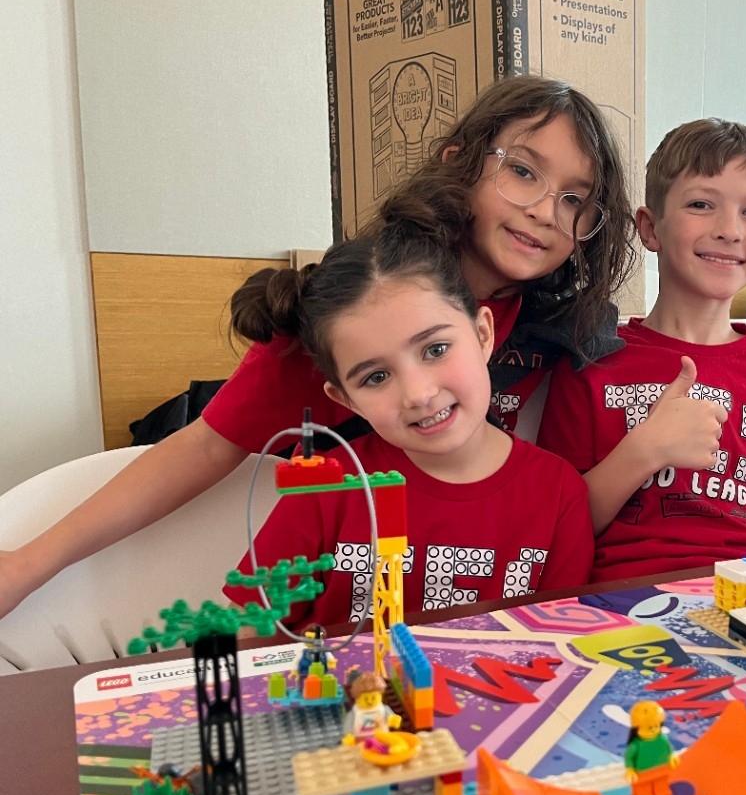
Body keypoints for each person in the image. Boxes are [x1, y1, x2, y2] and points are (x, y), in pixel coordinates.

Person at [0, 76, 636, 621]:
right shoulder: (351, 317)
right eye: (523, 171)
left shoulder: (547, 314)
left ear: (481, 336)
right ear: (459, 164)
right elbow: (201, 448)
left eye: (576, 198)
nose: (547, 210)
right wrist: (28, 564)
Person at [221, 203, 593, 626]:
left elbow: (561, 645)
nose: (418, 394)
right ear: (345, 399)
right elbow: (244, 633)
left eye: (435, 349)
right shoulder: (326, 486)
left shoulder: (558, 492)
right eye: (376, 377)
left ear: (483, 334)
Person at [537, 119, 746, 579]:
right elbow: (556, 530)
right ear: (650, 229)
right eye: (701, 204)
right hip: (624, 607)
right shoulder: (591, 354)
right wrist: (646, 449)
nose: (730, 230)